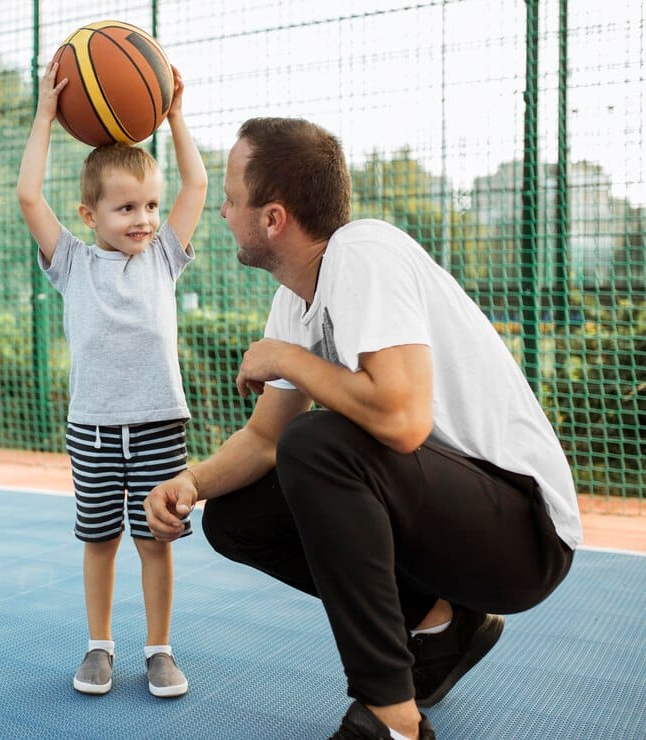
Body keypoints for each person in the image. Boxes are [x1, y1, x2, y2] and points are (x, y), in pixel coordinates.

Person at [143, 117, 582, 739]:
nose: (221, 209)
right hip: (453, 519)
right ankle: (444, 624)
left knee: (318, 446)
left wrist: (284, 358)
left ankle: (390, 718)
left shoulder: (363, 253)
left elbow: (403, 421)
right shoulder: (294, 297)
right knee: (237, 518)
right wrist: (189, 481)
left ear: (273, 218)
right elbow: (264, 440)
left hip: (525, 532)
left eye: (232, 198)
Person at [17, 61, 207, 698]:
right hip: (94, 433)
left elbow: (198, 186)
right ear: (89, 214)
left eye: (150, 204)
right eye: (126, 207)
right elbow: (27, 197)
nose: (144, 218)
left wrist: (176, 115)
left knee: (156, 544)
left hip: (157, 429)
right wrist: (45, 116)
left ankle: (159, 649)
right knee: (99, 541)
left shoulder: (162, 259)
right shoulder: (71, 262)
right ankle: (99, 646)